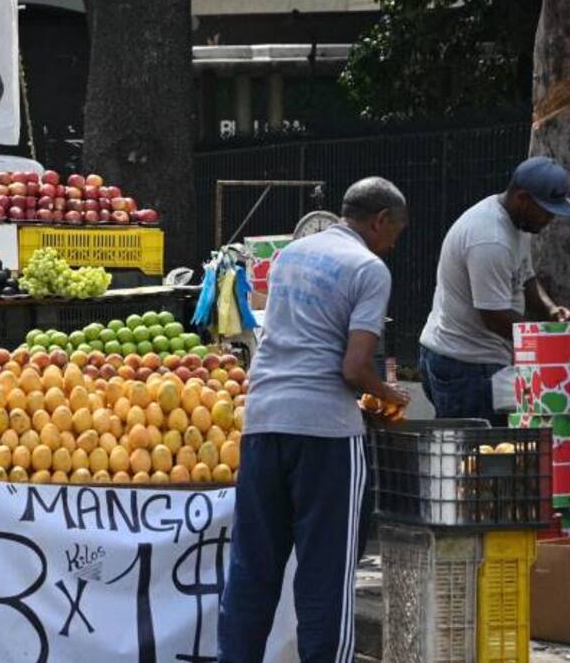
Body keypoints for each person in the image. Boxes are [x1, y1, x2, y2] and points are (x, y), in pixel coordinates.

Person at [219, 178, 410, 663]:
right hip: (325, 431)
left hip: (262, 420)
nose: (393, 245)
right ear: (380, 220)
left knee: (252, 569)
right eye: (396, 232)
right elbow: (353, 367)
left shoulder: (290, 256)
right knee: (326, 575)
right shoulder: (369, 269)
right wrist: (389, 395)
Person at [419, 156, 570, 422]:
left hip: (479, 359)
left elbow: (526, 278)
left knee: (493, 454)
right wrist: (546, 342)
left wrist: (551, 311)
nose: (550, 219)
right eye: (546, 211)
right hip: (464, 366)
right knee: (479, 457)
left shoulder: (519, 222)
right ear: (522, 197)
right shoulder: (490, 239)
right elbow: (494, 316)